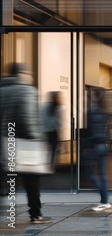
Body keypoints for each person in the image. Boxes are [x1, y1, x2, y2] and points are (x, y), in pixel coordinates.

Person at [0, 63, 51, 223]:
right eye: (28, 72)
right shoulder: (27, 90)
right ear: (21, 73)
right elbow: (28, 119)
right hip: (23, 143)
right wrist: (39, 140)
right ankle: (35, 214)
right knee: (31, 180)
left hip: (3, 142)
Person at [82, 87, 112, 211]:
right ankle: (104, 199)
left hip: (94, 146)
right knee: (102, 174)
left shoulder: (93, 112)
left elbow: (93, 132)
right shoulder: (106, 112)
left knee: (89, 173)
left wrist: (85, 145)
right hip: (103, 146)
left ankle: (104, 195)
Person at [41, 91, 63, 169]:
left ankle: (47, 164)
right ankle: (50, 165)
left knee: (48, 148)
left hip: (45, 130)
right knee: (53, 149)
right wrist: (58, 125)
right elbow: (54, 121)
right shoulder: (54, 107)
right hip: (52, 131)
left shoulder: (44, 106)